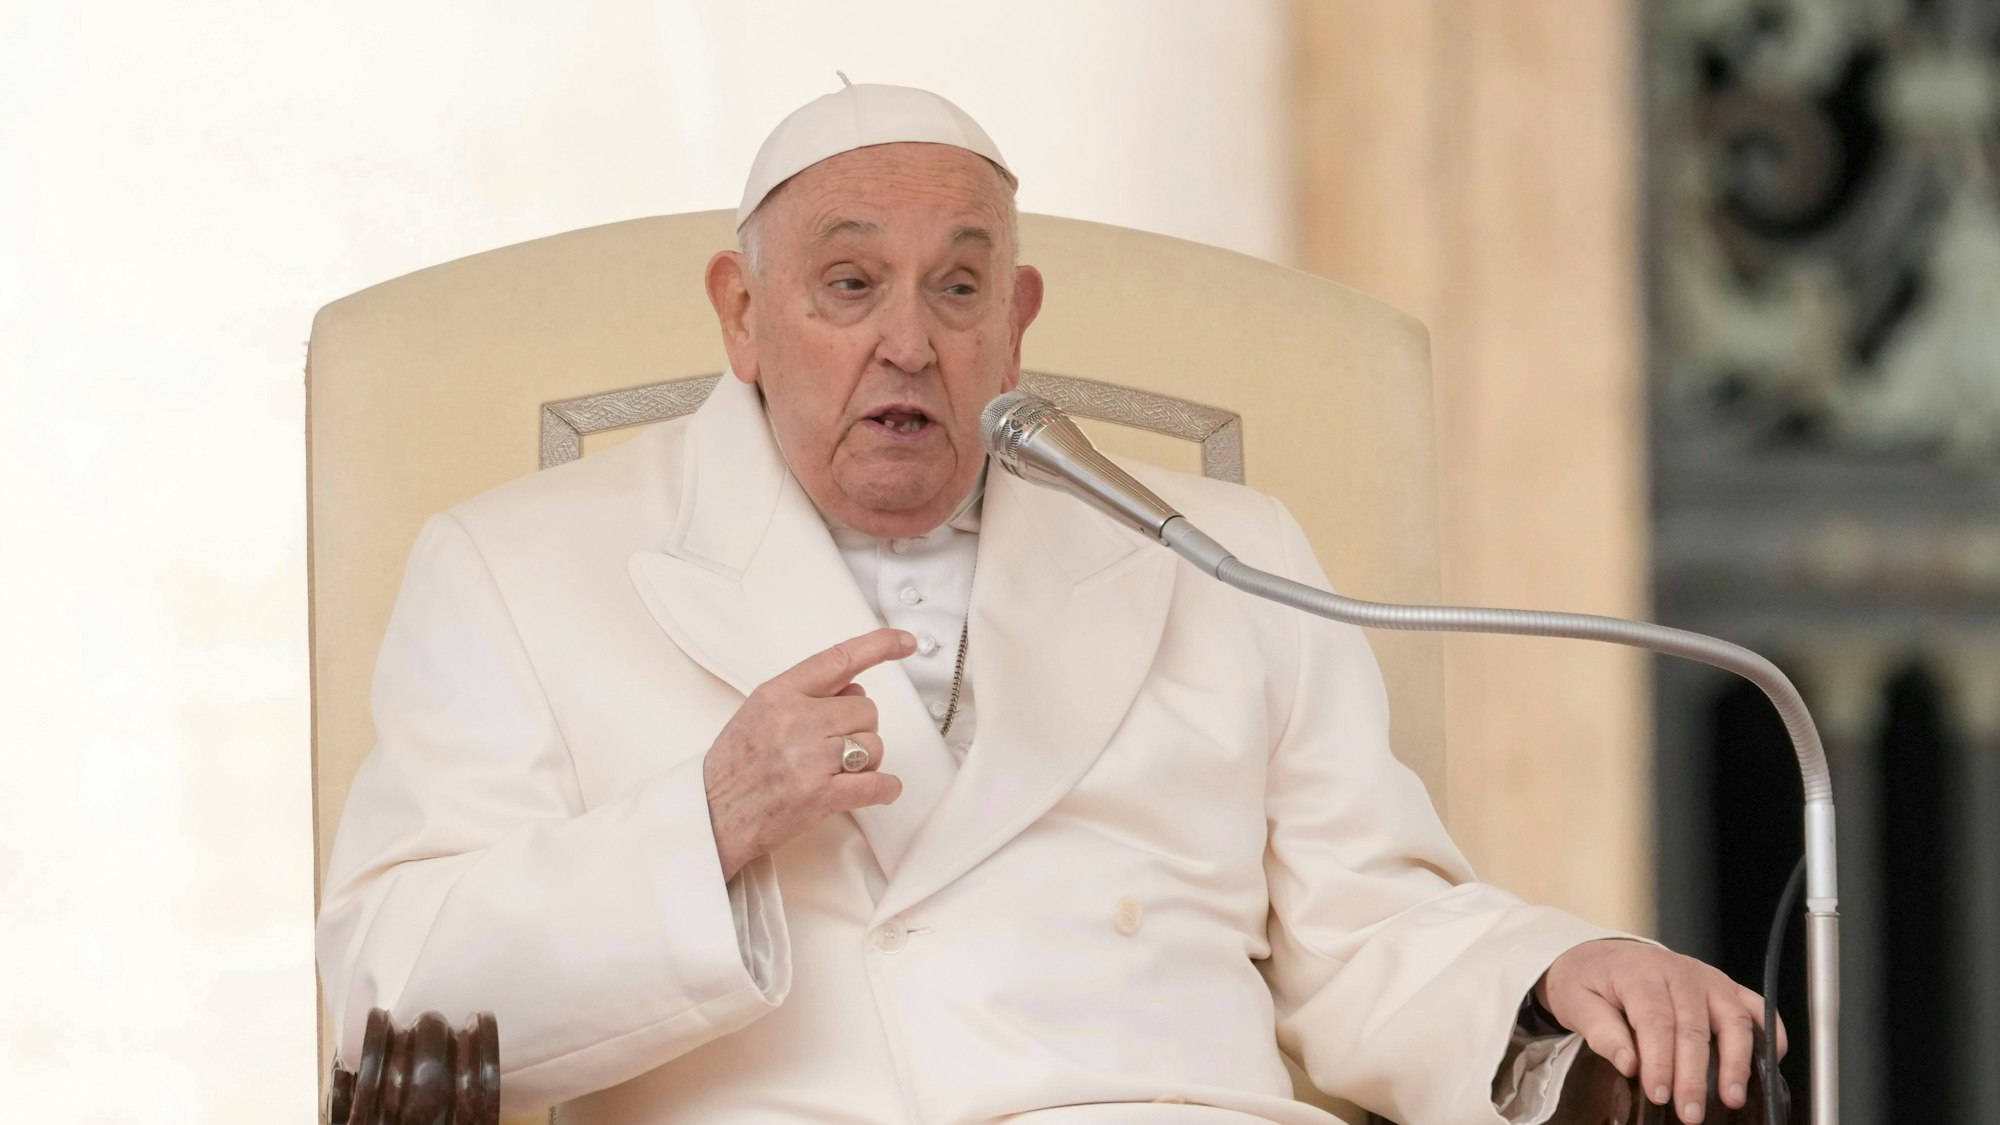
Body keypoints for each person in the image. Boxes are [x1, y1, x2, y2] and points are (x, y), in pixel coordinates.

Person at [317, 82, 1780, 1125]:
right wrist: (701, 826)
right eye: (847, 285)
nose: (908, 340)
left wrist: (1552, 969)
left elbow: (1367, 930)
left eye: (959, 289)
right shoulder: (516, 564)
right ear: (739, 313)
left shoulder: (1225, 549)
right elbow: (390, 984)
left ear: (1016, 325)